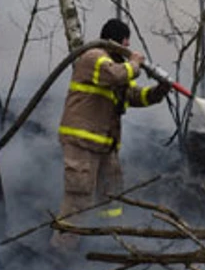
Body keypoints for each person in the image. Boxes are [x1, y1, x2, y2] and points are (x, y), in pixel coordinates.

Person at [51, 18, 171, 252]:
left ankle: (107, 243)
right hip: (82, 142)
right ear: (118, 41)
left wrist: (160, 91)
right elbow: (116, 75)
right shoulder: (94, 58)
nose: (128, 49)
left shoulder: (115, 66)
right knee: (79, 198)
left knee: (112, 196)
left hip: (105, 145)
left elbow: (135, 97)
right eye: (127, 43)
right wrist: (135, 64)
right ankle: (61, 250)